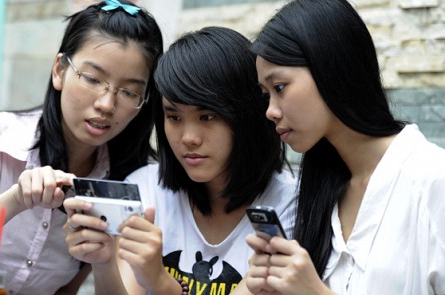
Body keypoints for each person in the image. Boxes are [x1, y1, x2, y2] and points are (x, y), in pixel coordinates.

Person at [0, 1, 163, 294]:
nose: (106, 104)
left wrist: (103, 260)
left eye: (129, 92)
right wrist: (15, 201)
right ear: (60, 70)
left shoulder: (121, 185)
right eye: (93, 79)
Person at [63, 26, 298, 295]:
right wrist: (103, 264)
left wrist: (159, 281)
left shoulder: (289, 204)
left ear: (247, 115)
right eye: (174, 117)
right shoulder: (146, 189)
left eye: (207, 116)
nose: (188, 138)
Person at [245, 0, 445, 294]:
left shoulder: (432, 179)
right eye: (266, 94)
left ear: (331, 67)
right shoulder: (320, 188)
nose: (271, 110)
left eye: (280, 87)